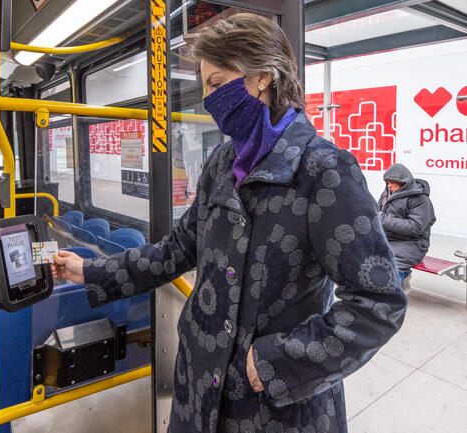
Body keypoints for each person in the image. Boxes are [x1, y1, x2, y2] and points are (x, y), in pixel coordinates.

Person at [53, 13, 406, 433]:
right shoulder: (223, 163)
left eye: (217, 83)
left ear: (262, 77)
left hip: (273, 404)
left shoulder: (324, 171)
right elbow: (179, 249)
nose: (208, 99)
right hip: (198, 388)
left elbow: (378, 301)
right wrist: (91, 271)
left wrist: (283, 361)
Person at [378, 163, 436, 285]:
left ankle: (391, 298)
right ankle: (403, 277)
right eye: (387, 182)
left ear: (403, 181)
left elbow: (415, 227)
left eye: (392, 182)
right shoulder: (385, 195)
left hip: (412, 243)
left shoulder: (420, 199)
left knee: (391, 264)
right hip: (388, 239)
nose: (389, 186)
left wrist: (382, 219)